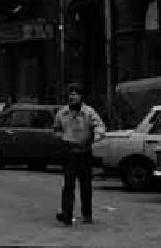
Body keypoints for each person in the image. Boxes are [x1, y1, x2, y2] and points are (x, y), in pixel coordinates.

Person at [53, 83, 106, 226]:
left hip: (84, 152)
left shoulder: (89, 112)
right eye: (70, 94)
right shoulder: (62, 113)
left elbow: (100, 127)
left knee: (85, 184)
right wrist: (60, 137)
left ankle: (87, 214)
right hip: (69, 152)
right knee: (69, 184)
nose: (72, 96)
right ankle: (67, 215)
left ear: (81, 96)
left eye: (75, 93)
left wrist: (96, 136)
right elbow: (56, 128)